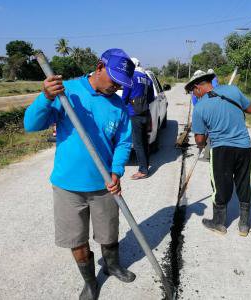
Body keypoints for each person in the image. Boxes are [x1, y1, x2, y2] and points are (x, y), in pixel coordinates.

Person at [24, 48, 136, 300]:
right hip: (68, 187)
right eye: (114, 79)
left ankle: (112, 265)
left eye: (121, 83)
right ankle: (90, 282)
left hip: (104, 185)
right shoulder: (67, 92)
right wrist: (44, 97)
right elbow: (31, 125)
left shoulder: (118, 106)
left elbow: (124, 142)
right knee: (76, 239)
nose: (117, 86)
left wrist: (117, 170)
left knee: (109, 233)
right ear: (99, 67)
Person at [185, 70, 251, 237]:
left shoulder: (200, 107)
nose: (193, 95)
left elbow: (200, 140)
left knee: (220, 185)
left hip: (221, 150)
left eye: (192, 91)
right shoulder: (233, 91)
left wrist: (203, 141)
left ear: (197, 88)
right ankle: (244, 225)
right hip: (244, 146)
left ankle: (219, 223)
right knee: (244, 182)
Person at [122, 57, 154, 180]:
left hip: (134, 114)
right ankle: (145, 165)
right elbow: (151, 98)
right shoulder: (147, 78)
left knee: (138, 143)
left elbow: (124, 97)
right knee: (144, 142)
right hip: (145, 113)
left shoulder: (130, 77)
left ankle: (143, 170)